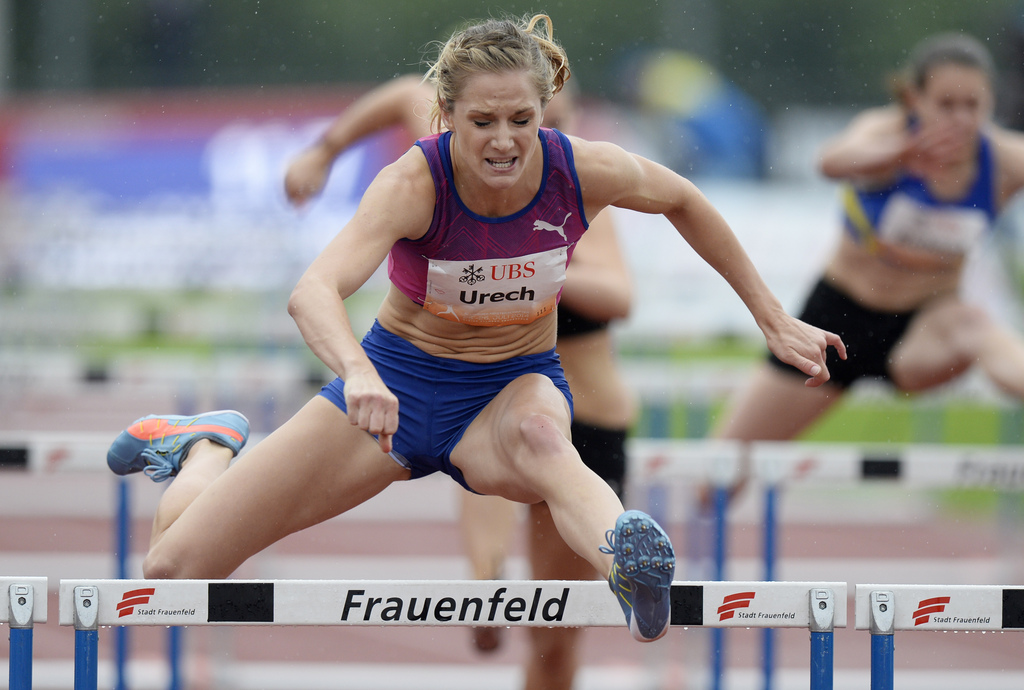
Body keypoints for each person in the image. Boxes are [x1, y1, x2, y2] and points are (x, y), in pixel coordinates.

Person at [106, 13, 842, 648]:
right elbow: (314, 292)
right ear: (446, 115)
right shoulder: (413, 183)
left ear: (544, 113)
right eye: (482, 122)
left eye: (521, 121)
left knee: (548, 442)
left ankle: (629, 559)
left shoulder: (580, 170)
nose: (503, 142)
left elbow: (684, 199)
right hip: (395, 388)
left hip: (509, 387)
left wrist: (772, 318)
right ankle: (205, 446)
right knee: (173, 571)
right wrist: (359, 374)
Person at [286, 73, 636, 685]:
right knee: (489, 477)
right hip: (483, 404)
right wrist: (325, 148)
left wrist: (518, 263)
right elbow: (399, 93)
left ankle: (533, 601)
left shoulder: (573, 185)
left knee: (555, 636)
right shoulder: (455, 164)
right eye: (496, 126)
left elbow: (619, 295)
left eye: (542, 129)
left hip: (581, 418)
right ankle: (486, 576)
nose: (517, 148)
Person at [715, 32, 1024, 450]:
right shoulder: (885, 132)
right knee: (724, 464)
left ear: (990, 105)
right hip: (837, 321)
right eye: (946, 105)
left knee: (976, 325)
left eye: (973, 106)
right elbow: (830, 162)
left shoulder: (1004, 161)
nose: (960, 120)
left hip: (922, 329)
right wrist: (900, 156)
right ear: (915, 100)